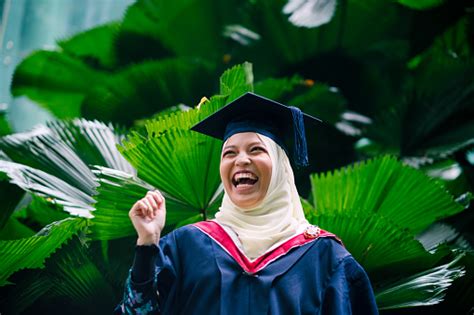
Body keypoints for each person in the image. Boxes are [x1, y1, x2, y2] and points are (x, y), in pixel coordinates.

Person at [115, 93, 379, 314]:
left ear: (280, 168)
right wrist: (147, 245)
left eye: (256, 150)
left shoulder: (325, 258)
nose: (240, 160)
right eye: (229, 152)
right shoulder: (185, 247)